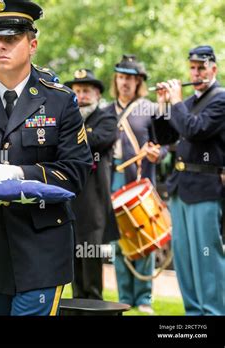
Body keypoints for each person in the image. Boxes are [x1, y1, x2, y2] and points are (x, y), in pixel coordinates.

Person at [0, 0, 92, 316]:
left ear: (32, 44)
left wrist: (20, 175)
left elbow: (75, 172)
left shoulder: (60, 101)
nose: (0, 45)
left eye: (11, 38)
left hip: (43, 244)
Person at [153, 45, 225, 315]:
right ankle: (194, 315)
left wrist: (177, 102)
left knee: (207, 257)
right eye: (192, 68)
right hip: (180, 187)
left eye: (201, 68)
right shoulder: (189, 103)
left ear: (213, 69)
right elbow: (165, 138)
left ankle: (215, 313)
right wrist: (163, 105)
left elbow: (195, 130)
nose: (195, 73)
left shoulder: (220, 99)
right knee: (184, 259)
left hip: (205, 187)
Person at [103, 54, 167, 314]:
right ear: (116, 80)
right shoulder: (106, 111)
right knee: (120, 241)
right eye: (121, 77)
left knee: (144, 238)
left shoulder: (150, 109)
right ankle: (125, 296)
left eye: (130, 78)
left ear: (139, 82)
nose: (125, 83)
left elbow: (163, 147)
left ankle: (144, 299)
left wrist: (156, 154)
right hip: (111, 179)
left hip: (140, 181)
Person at [65, 69, 117, 300]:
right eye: (76, 91)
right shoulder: (68, 118)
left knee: (91, 252)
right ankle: (76, 301)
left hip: (94, 200)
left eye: (86, 91)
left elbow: (98, 140)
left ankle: (94, 303)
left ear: (96, 93)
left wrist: (71, 134)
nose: (81, 96)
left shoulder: (107, 117)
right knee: (72, 251)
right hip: (71, 197)